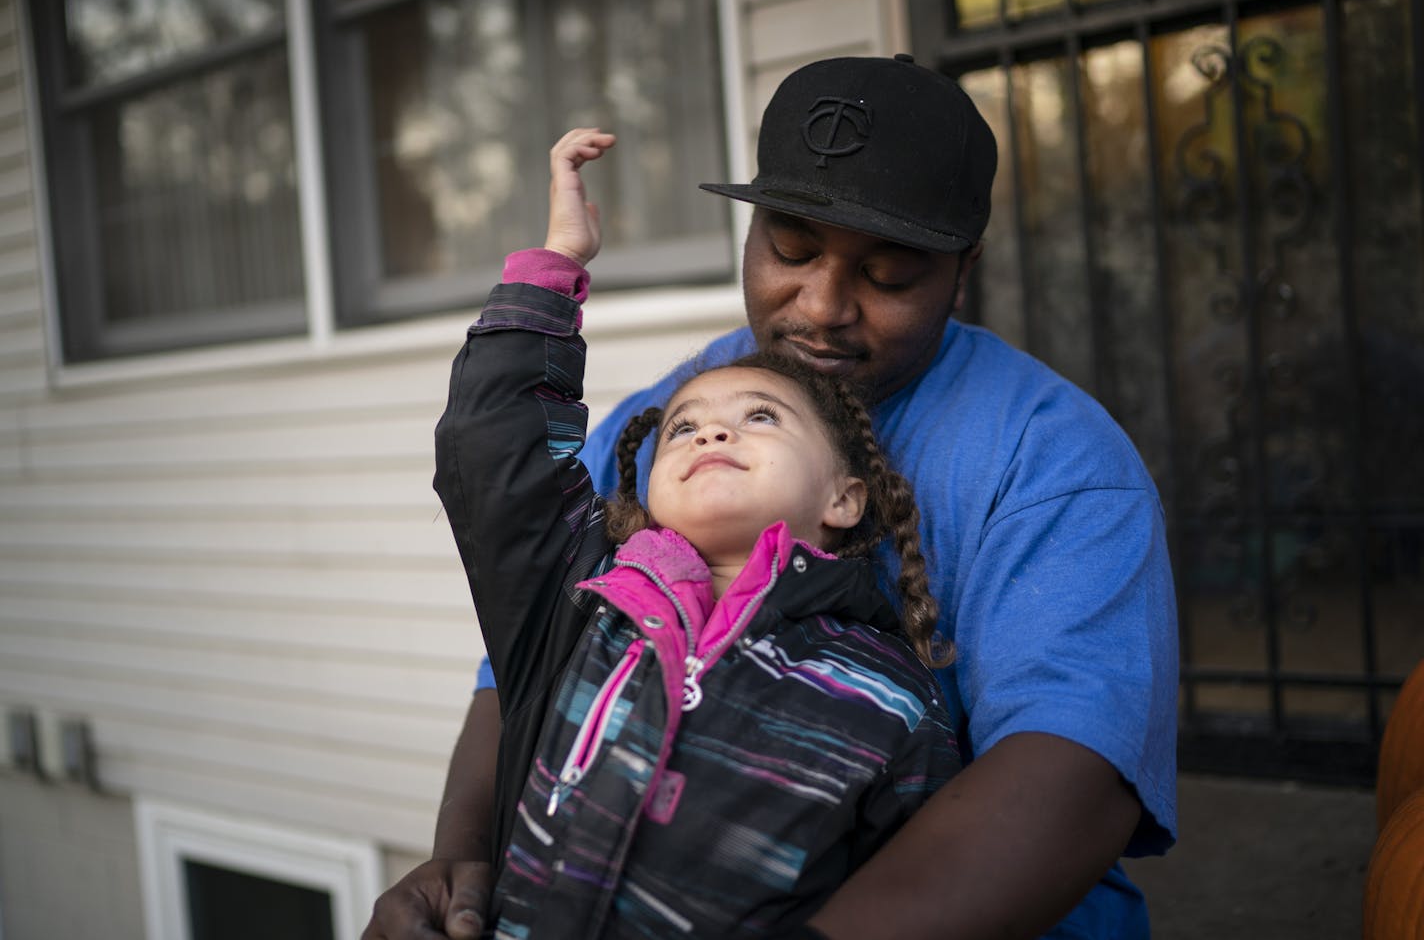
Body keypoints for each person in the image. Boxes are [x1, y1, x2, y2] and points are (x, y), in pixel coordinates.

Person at [364, 54, 1178, 940]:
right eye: (791, 249)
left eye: (889, 275)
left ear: (961, 266)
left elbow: (1074, 776)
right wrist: (464, 857)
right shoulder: (665, 425)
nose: (823, 304)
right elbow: (528, 658)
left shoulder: (1054, 461)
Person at [430, 126, 961, 938]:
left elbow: (919, 893)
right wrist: (556, 266)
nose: (713, 435)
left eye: (759, 417)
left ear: (846, 498)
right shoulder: (575, 606)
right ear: (642, 485)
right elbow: (492, 451)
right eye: (683, 428)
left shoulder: (891, 699)